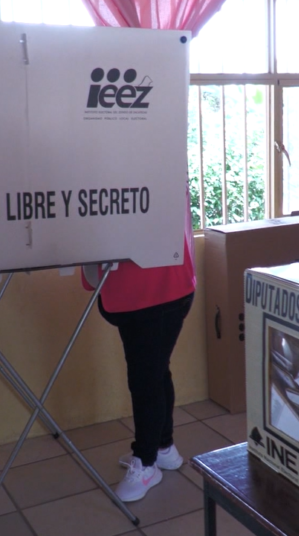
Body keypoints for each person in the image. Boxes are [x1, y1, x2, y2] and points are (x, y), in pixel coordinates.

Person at [83, 199, 196, 502]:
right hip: (141, 289)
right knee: (155, 370)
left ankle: (146, 463)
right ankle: (163, 448)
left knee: (145, 379)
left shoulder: (154, 172)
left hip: (159, 289)